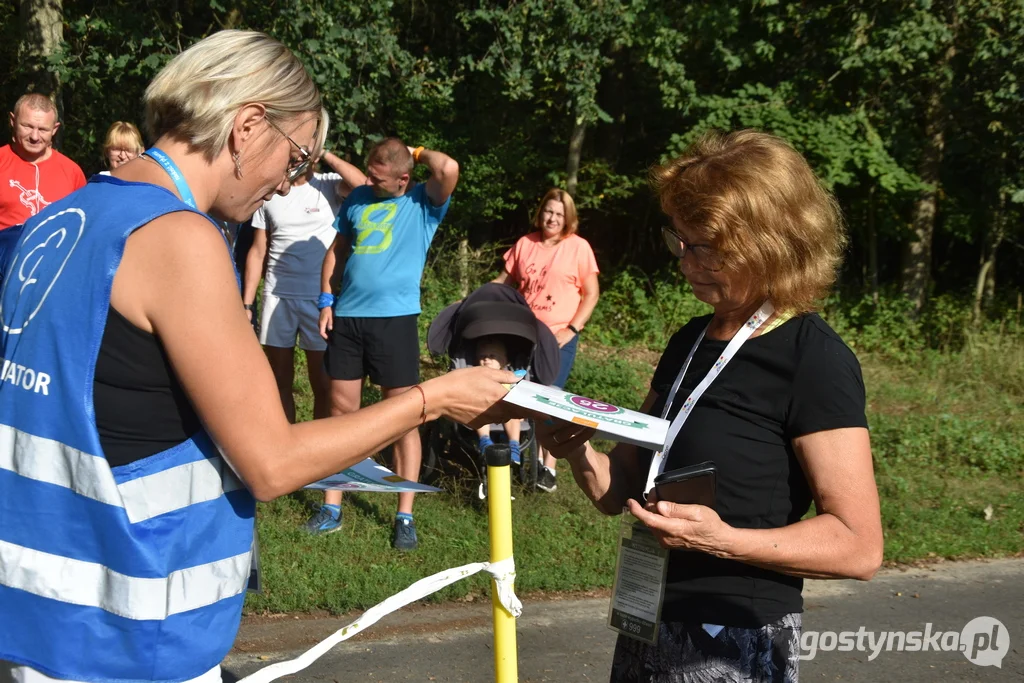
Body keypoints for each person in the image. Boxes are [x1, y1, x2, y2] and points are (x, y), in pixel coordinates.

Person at [0, 30, 519, 683]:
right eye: (297, 158)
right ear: (247, 126)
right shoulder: (177, 238)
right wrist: (433, 398)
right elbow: (272, 463)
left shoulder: (62, 215)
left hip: (43, 612)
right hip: (133, 630)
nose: (286, 186)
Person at [536, 130, 884, 683]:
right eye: (680, 241)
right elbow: (622, 488)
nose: (686, 263)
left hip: (733, 641)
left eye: (707, 248)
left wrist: (723, 541)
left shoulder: (812, 358)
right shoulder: (692, 339)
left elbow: (859, 547)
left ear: (773, 243)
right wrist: (579, 448)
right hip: (649, 619)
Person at [309, 138, 459, 550]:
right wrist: (326, 300)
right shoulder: (357, 197)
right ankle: (332, 507)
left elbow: (448, 168)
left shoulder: (422, 203)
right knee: (340, 413)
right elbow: (337, 251)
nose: (369, 180)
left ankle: (404, 514)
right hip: (349, 318)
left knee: (404, 417)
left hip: (394, 321)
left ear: (403, 179)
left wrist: (416, 151)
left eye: (379, 176)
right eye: (369, 173)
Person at [242, 152, 367, 422]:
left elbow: (365, 186)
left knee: (322, 385)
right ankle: (286, 445)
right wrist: (247, 304)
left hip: (319, 301)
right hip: (277, 297)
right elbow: (257, 250)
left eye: (303, 153)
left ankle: (319, 451)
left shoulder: (330, 184)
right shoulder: (271, 192)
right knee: (279, 384)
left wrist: (324, 152)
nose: (296, 159)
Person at [493, 188, 600, 492]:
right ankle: (516, 454)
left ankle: (547, 467)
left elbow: (592, 293)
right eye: (548, 212)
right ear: (541, 213)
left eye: (559, 214)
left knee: (550, 397)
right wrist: (476, 300)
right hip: (522, 333)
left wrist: (573, 329)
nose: (552, 218)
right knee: (516, 392)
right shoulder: (525, 244)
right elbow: (504, 282)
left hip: (558, 337)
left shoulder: (578, 248)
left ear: (568, 218)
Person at [0, 93, 86, 229]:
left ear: (55, 129)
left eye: (43, 129)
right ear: (12, 121)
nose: (35, 136)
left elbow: (81, 226)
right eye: (27, 126)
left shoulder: (72, 172)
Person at [473, 335, 522, 464]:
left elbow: (518, 395)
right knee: (480, 409)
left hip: (506, 411)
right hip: (484, 409)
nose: (486, 359)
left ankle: (514, 445)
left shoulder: (509, 378)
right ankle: (485, 440)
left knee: (514, 413)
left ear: (504, 361)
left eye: (492, 356)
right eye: (482, 356)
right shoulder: (475, 377)